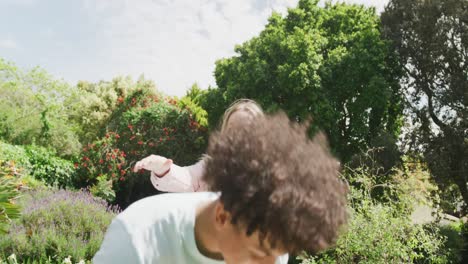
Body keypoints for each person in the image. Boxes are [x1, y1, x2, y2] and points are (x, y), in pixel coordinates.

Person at [93, 112, 348, 264]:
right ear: (222, 216)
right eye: (258, 253)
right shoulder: (137, 239)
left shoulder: (272, 235)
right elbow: (186, 178)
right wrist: (163, 169)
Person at [133, 99, 264, 192]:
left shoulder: (272, 174)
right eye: (232, 129)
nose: (238, 135)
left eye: (246, 129)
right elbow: (188, 178)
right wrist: (163, 170)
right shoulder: (211, 167)